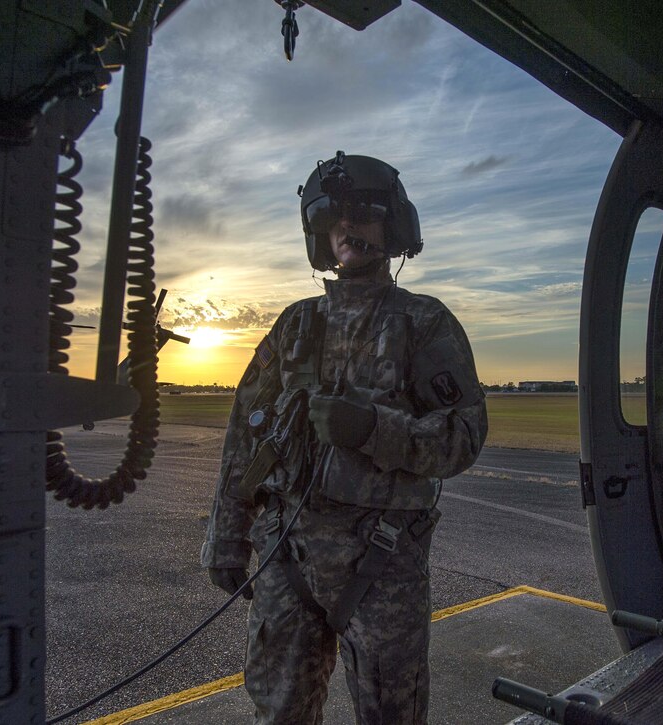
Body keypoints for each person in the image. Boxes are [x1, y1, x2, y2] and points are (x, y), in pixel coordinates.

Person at [201, 151, 487, 724]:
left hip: (382, 563)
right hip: (286, 555)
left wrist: (374, 430)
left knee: (390, 714)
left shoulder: (424, 322)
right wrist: (226, 534)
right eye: (334, 221)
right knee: (278, 711)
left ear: (392, 228)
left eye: (361, 216)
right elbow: (244, 436)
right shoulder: (294, 325)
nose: (346, 230)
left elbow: (463, 436)